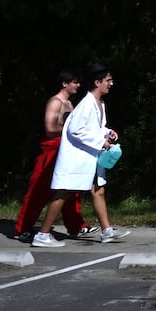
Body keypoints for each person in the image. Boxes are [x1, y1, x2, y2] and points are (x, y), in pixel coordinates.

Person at [34, 64, 127, 247]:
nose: (111, 83)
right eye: (108, 80)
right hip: (76, 159)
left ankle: (107, 231)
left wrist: (108, 132)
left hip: (89, 158)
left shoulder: (99, 104)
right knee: (63, 193)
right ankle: (42, 235)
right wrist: (100, 142)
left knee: (98, 190)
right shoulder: (86, 104)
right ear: (97, 82)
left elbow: (94, 128)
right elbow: (76, 130)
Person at [15, 70, 96, 243]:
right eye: (74, 82)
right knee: (38, 190)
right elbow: (50, 129)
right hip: (50, 151)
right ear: (64, 84)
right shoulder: (55, 102)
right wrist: (71, 128)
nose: (78, 85)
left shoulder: (69, 104)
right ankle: (23, 228)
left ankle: (76, 226)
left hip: (65, 150)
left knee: (70, 188)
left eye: (78, 82)